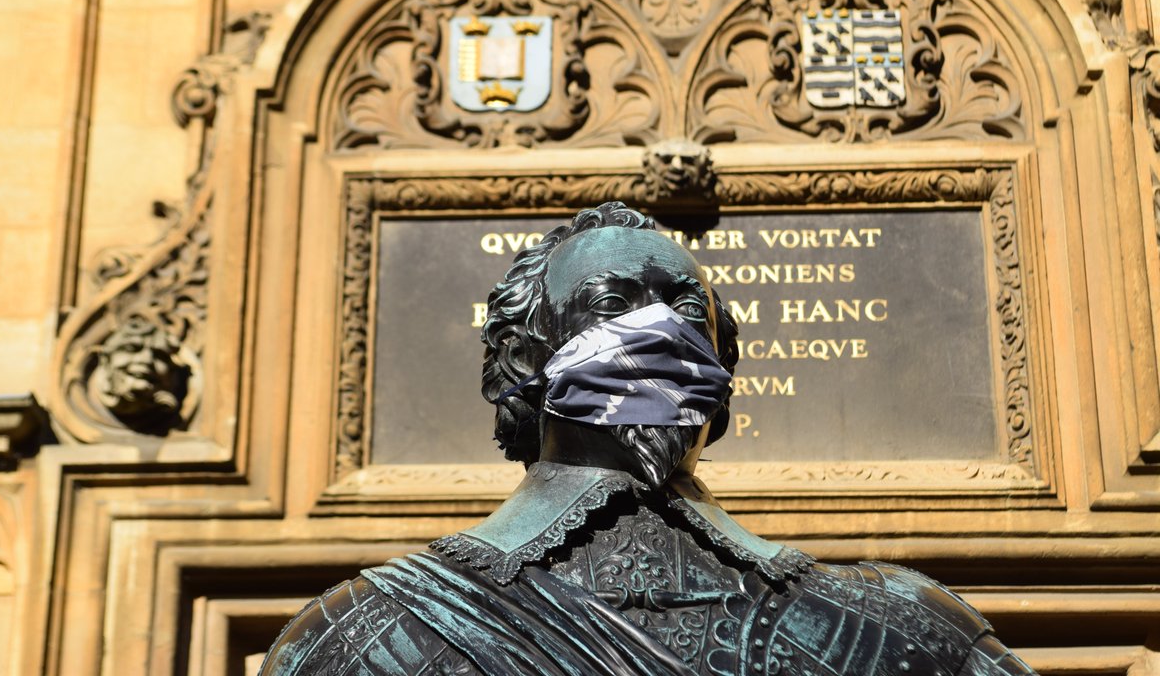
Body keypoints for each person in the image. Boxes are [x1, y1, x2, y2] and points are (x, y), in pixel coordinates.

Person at [261, 202, 1034, 675]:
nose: (658, 331)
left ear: (722, 363)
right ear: (527, 357)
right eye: (612, 304)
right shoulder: (363, 638)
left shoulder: (905, 627)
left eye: (684, 309)